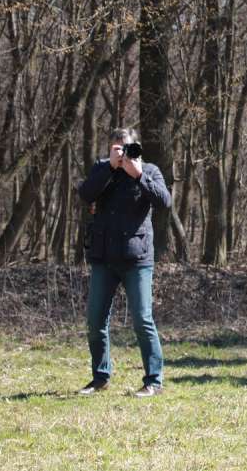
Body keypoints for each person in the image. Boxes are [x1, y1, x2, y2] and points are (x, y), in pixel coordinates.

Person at [76, 127, 172, 397]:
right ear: (111, 149)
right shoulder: (102, 169)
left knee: (142, 320)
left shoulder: (149, 170)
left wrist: (138, 174)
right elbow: (85, 194)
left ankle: (154, 380)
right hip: (104, 257)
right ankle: (100, 377)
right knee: (95, 321)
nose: (123, 153)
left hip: (137, 258)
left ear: (136, 147)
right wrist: (110, 167)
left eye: (127, 147)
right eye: (118, 148)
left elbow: (165, 202)